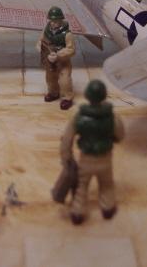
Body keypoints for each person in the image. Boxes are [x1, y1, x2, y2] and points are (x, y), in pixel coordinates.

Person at [59, 80, 125, 224]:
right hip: (105, 159)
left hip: (86, 160)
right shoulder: (113, 117)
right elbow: (120, 135)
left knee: (81, 187)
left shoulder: (78, 117)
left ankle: (77, 212)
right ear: (104, 95)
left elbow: (67, 140)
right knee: (107, 185)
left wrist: (66, 158)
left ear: (87, 95)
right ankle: (108, 208)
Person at [37, 6, 76, 110]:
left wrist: (58, 54)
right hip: (49, 60)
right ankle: (53, 93)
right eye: (51, 21)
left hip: (63, 62)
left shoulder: (67, 34)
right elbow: (41, 41)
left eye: (56, 21)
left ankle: (67, 98)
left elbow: (71, 49)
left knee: (65, 81)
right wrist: (42, 49)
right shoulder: (46, 30)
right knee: (50, 79)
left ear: (60, 20)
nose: (53, 23)